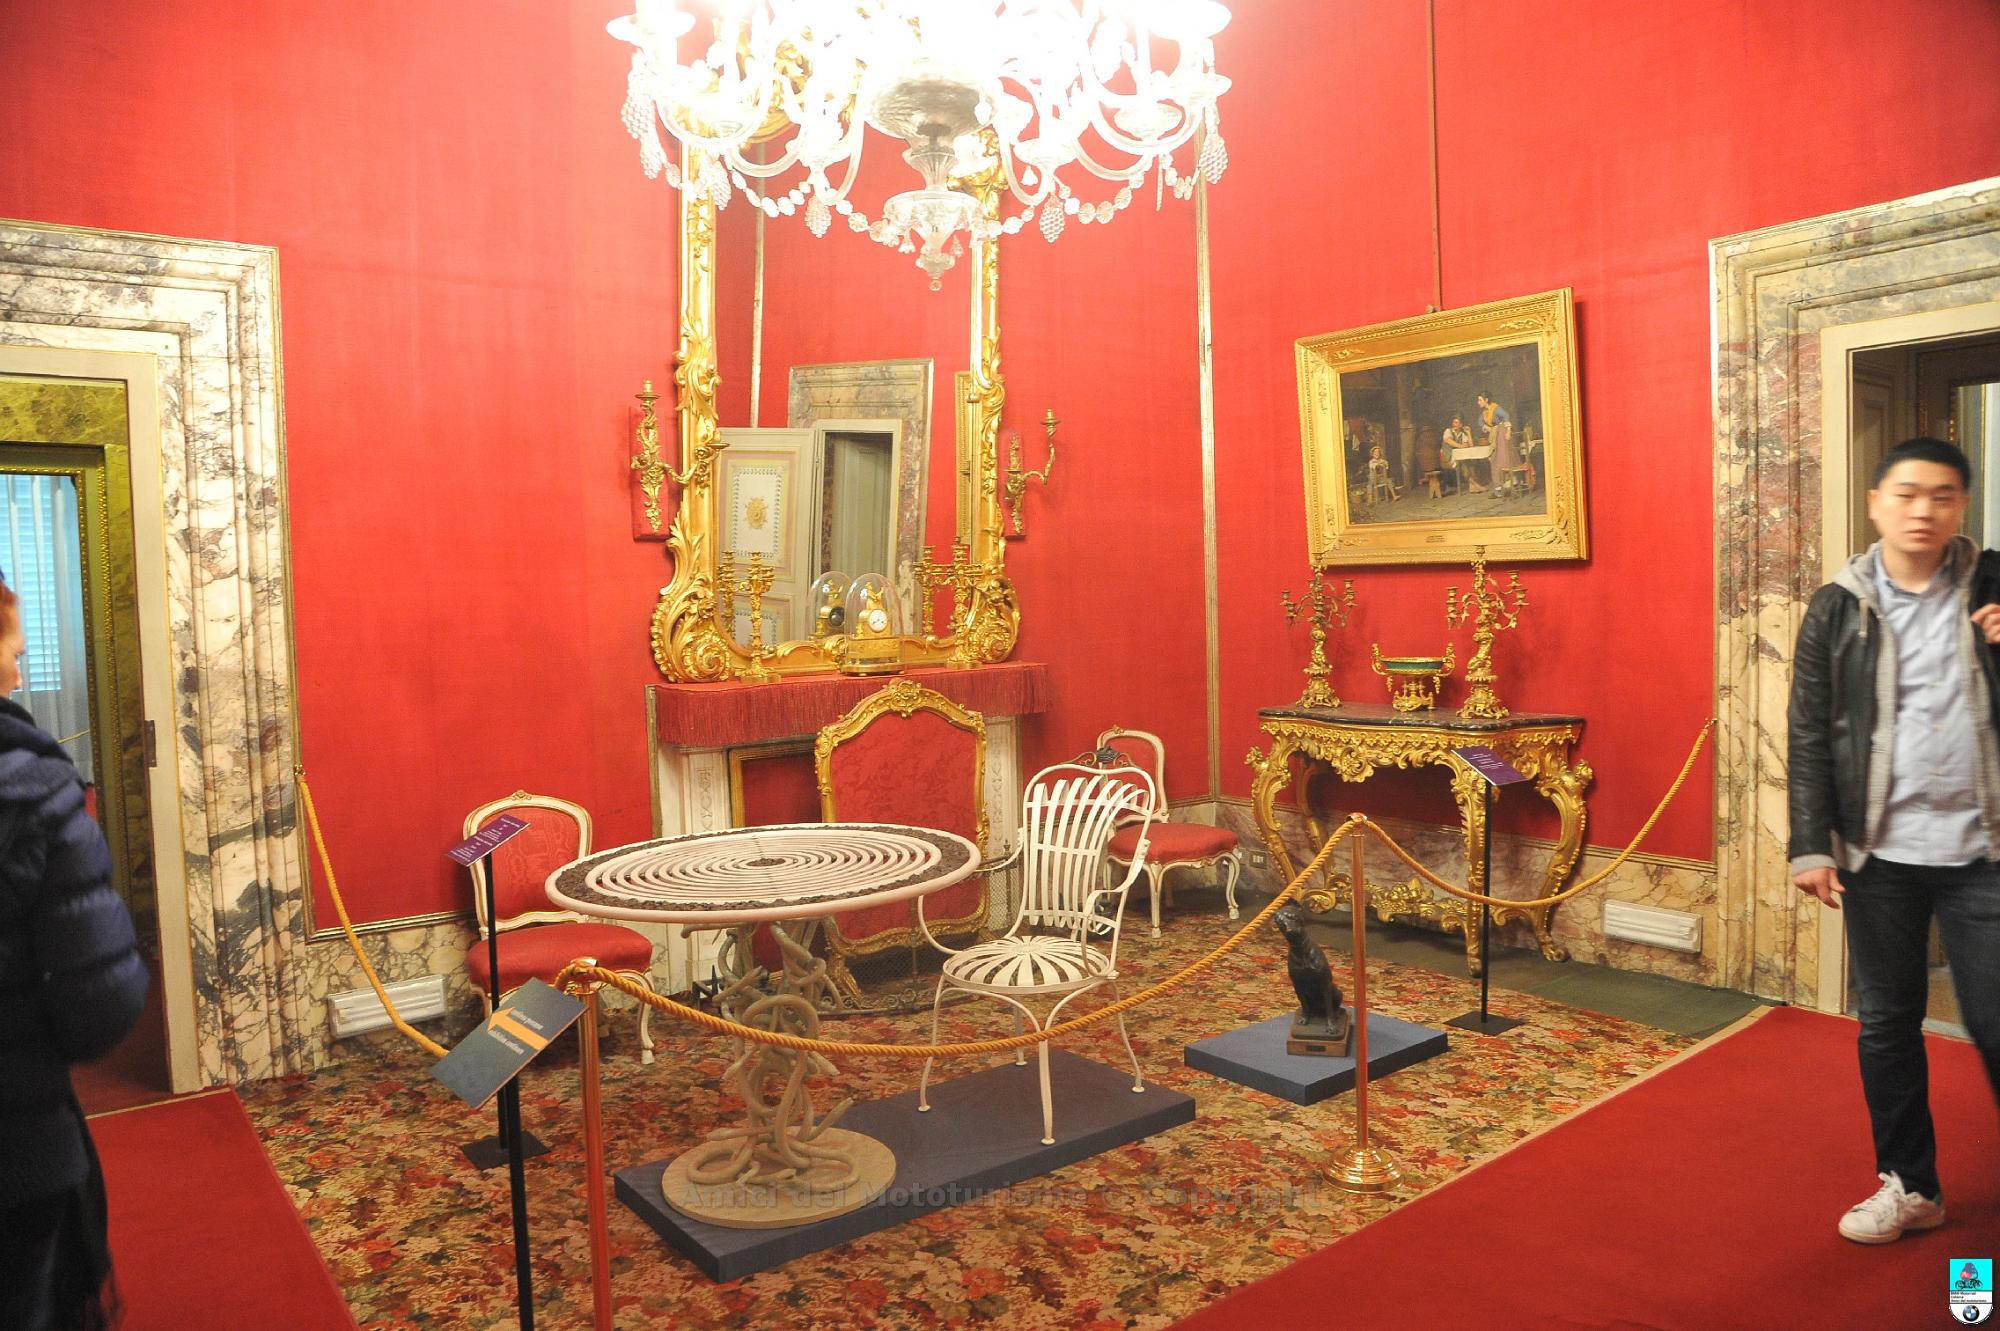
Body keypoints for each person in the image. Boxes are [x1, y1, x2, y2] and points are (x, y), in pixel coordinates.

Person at [1786, 436, 2000, 1246]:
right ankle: (1911, 1184)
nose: (1923, 510)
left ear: (1961, 505)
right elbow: (1810, 729)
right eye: (1906, 493)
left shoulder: (1995, 583)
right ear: (1875, 502)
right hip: (1879, 854)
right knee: (1887, 1023)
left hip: (1986, 853)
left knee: (1997, 1020)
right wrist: (1810, 842)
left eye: (1941, 495)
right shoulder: (1836, 607)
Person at [0, 574, 148, 1329]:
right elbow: (98, 1009)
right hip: (17, 1140)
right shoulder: (32, 787)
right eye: (11, 644)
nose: (22, 657)